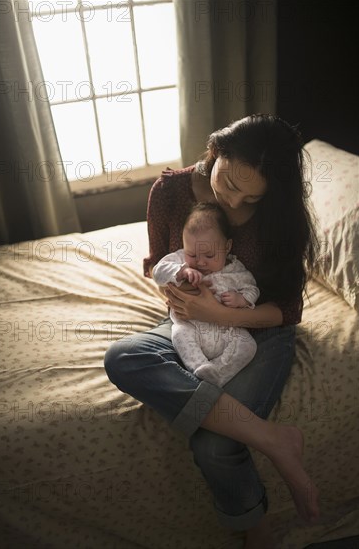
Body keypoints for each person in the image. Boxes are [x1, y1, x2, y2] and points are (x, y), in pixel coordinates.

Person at [104, 114, 320, 549]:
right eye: (230, 184)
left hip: (258, 328)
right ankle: (275, 441)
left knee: (216, 443)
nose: (235, 203)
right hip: (190, 319)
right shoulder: (170, 192)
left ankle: (257, 531)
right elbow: (159, 265)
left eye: (249, 197)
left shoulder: (281, 214)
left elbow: (288, 308)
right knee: (123, 357)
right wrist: (184, 289)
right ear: (217, 151)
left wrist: (226, 314)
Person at [152, 201, 260, 387]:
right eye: (192, 255)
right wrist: (181, 271)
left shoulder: (235, 269)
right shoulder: (179, 260)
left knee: (248, 346)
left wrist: (241, 299)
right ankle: (199, 367)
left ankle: (217, 372)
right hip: (190, 326)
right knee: (179, 335)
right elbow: (158, 272)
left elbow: (253, 288)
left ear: (227, 247)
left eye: (209, 256)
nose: (200, 262)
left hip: (226, 330)